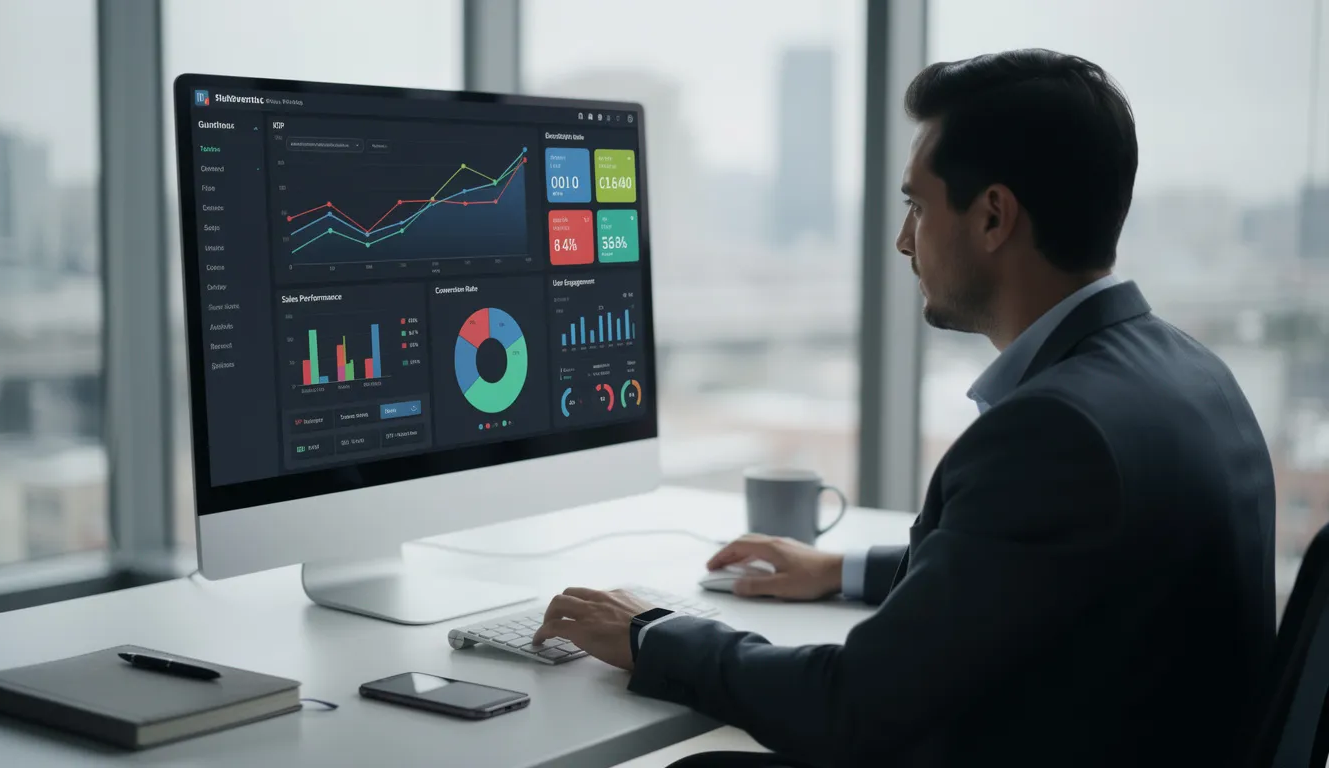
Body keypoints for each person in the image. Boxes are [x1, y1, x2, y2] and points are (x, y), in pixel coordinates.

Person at [532, 48, 1276, 768]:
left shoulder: (1056, 432)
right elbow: (1028, 570)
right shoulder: (1191, 374)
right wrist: (842, 569)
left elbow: (848, 708)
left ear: (992, 218)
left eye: (917, 205)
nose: (901, 240)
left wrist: (651, 632)